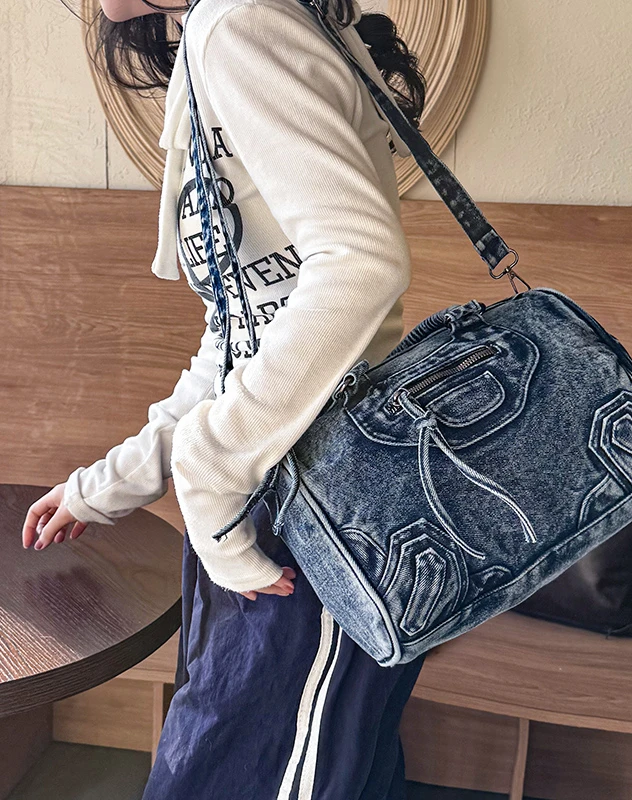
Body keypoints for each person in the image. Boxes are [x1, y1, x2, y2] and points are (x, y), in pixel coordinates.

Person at [21, 0, 428, 796]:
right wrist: (118, 479)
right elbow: (245, 334)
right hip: (288, 497)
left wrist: (209, 473)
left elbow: (361, 264)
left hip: (320, 506)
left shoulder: (238, 25)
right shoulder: (230, 31)